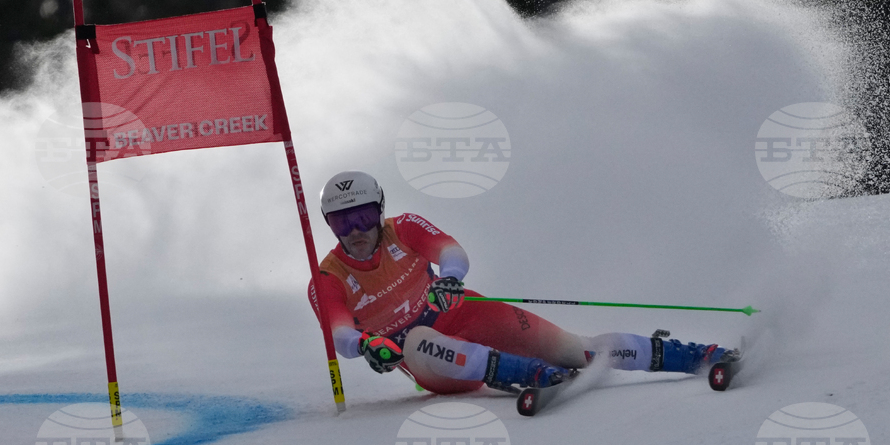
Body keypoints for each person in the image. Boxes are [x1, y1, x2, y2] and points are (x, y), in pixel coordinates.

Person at [308, 170, 738, 394]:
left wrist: (451, 279)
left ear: (380, 210)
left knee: (576, 348)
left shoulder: (403, 228)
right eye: (342, 222)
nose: (356, 231)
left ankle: (698, 355)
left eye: (363, 216)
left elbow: (452, 252)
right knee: (418, 340)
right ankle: (529, 373)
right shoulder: (328, 276)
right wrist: (365, 345)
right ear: (329, 226)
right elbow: (341, 332)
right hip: (433, 363)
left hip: (463, 313)